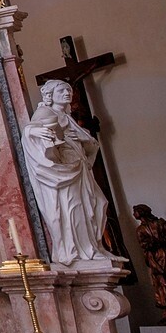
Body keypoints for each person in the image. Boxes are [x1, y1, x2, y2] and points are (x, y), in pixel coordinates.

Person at [23, 80, 113, 268]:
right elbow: (29, 130)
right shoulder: (45, 112)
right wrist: (38, 131)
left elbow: (88, 143)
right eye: (62, 90)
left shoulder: (67, 116)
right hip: (65, 171)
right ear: (50, 95)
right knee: (73, 208)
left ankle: (92, 248)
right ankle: (77, 251)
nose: (67, 93)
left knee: (97, 203)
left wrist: (83, 141)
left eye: (69, 90)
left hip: (79, 166)